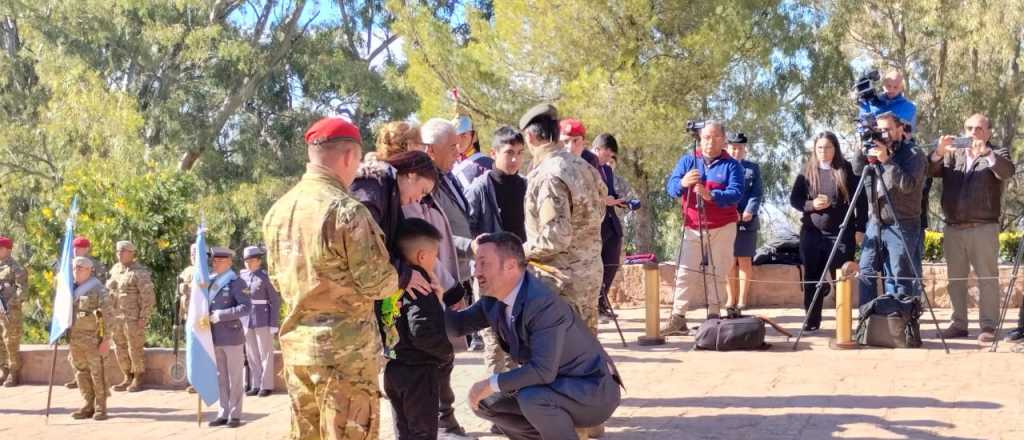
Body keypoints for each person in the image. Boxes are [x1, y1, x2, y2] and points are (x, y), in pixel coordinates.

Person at [262, 117, 398, 440]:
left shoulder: (278, 212)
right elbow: (377, 283)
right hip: (345, 358)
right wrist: (400, 274)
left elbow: (278, 281)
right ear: (349, 157)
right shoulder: (346, 211)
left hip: (299, 354)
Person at [449, 232, 622, 440]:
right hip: (553, 386)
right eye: (475, 264)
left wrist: (489, 383)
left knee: (532, 399)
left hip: (593, 390)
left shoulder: (541, 303)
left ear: (510, 266)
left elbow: (542, 371)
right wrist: (434, 296)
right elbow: (457, 326)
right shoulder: (494, 299)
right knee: (484, 402)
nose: (476, 272)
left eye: (483, 263)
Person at [520, 104, 607, 335]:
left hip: (561, 283)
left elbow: (555, 238)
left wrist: (519, 251)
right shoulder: (584, 166)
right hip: (588, 276)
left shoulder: (548, 174)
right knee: (586, 356)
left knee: (562, 359)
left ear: (529, 137)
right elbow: (600, 211)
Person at [929, 114, 1015, 342]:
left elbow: (1007, 172)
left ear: (988, 133)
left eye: (978, 129)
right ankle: (958, 324)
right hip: (953, 227)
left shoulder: (997, 153)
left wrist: (987, 154)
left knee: (987, 278)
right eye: (969, 128)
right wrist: (938, 151)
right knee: (955, 279)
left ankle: (988, 326)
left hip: (983, 227)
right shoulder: (952, 154)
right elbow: (929, 171)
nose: (973, 133)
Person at [418, 117, 476, 437]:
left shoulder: (449, 177)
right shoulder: (424, 187)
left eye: (459, 144)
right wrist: (469, 246)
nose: (459, 150)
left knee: (450, 352)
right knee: (440, 352)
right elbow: (432, 238)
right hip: (438, 279)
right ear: (430, 149)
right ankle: (443, 420)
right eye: (452, 146)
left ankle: (445, 416)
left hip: (459, 275)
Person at [662, 121, 744, 336]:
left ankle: (714, 316)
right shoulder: (689, 161)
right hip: (691, 226)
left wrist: (712, 195)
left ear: (723, 140)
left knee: (717, 272)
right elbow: (670, 188)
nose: (710, 141)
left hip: (723, 227)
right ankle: (678, 317)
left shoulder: (732, 165)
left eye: (716, 137)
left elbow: (736, 193)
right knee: (685, 272)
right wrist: (682, 183)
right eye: (706, 137)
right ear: (700, 139)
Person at [384, 218, 455, 440]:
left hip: (394, 369)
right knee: (423, 434)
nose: (436, 261)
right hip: (419, 373)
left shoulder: (391, 280)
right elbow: (421, 330)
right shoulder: (421, 282)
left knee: (403, 433)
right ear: (422, 256)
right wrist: (446, 352)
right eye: (435, 255)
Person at [465, 126, 527, 376]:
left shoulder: (526, 186)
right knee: (493, 339)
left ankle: (515, 393)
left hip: (520, 274)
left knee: (519, 336)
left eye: (520, 153)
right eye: (509, 152)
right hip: (490, 277)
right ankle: (494, 395)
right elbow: (467, 232)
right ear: (494, 153)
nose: (515, 160)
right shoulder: (479, 188)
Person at [789, 132, 867, 331]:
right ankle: (812, 321)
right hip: (812, 234)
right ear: (815, 150)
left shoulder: (846, 169)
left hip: (840, 234)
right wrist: (811, 205)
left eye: (828, 147)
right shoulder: (806, 171)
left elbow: (861, 199)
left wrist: (860, 228)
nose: (824, 152)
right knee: (812, 278)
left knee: (840, 279)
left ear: (835, 149)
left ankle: (843, 325)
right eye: (820, 148)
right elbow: (795, 200)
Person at [853, 112, 927, 306]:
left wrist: (886, 160)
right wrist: (862, 149)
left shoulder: (913, 154)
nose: (883, 134)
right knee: (866, 271)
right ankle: (866, 322)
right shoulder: (875, 150)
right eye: (880, 130)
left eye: (887, 130)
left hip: (902, 222)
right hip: (876, 221)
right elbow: (857, 170)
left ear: (900, 129)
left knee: (900, 275)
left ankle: (901, 326)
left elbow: (908, 185)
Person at [352, 150, 441, 293]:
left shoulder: (391, 192)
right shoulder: (373, 187)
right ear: (412, 174)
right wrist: (404, 276)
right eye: (422, 191)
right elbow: (360, 247)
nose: (419, 200)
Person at [205, 246, 251, 428]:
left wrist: (221, 315)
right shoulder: (210, 282)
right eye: (214, 261)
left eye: (220, 261)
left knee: (235, 377)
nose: (215, 264)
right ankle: (223, 412)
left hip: (232, 336)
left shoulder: (236, 282)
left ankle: (235, 414)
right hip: (214, 336)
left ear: (229, 262)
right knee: (221, 377)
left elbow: (246, 307)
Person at [591, 133, 634, 322]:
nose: (609, 160)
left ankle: (602, 303)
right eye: (607, 155)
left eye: (611, 157)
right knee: (595, 267)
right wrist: (602, 201)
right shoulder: (585, 167)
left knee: (612, 263)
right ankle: (593, 306)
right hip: (594, 225)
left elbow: (613, 194)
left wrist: (624, 202)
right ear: (598, 149)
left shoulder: (607, 171)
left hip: (611, 223)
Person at [67, 256, 114, 421]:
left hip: (93, 339)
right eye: (74, 268)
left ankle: (101, 407)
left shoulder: (98, 289)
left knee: (97, 373)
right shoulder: (69, 289)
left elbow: (108, 316)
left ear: (89, 270)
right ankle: (88, 404)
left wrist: (106, 340)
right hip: (74, 338)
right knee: (80, 372)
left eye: (81, 268)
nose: (76, 271)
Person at [106, 240, 155, 392]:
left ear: (132, 253)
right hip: (117, 316)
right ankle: (127, 375)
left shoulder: (139, 272)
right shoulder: (115, 270)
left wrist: (144, 317)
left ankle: (138, 377)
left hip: (133, 318)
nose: (119, 254)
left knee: (134, 347)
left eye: (123, 251)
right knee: (119, 347)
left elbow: (148, 297)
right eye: (117, 251)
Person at [725, 133, 762, 311]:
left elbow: (757, 193)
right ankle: (730, 300)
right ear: (727, 148)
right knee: (729, 261)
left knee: (744, 261)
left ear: (744, 149)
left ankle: (742, 301)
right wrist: (731, 213)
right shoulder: (721, 167)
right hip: (726, 220)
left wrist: (749, 210)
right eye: (733, 147)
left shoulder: (752, 168)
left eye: (739, 148)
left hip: (747, 220)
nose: (736, 151)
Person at [240, 245, 281, 397]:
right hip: (247, 319)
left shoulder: (265, 278)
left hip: (263, 318)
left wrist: (273, 323)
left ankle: (266, 385)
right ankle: (256, 384)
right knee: (252, 354)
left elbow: (275, 301)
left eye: (251, 260)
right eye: (246, 261)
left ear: (258, 261)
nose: (248, 263)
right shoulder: (243, 277)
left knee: (265, 353)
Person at [0, 236, 28, 387]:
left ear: (7, 250)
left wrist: (11, 303)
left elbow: (23, 291)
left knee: (10, 342)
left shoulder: (16, 268)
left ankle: (14, 373)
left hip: (10, 312)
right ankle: (3, 370)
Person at [452, 115, 494, 189]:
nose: (459, 141)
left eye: (463, 136)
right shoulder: (449, 163)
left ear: (474, 137)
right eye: (456, 136)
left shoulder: (488, 164)